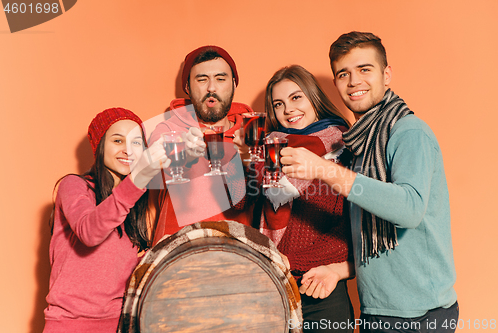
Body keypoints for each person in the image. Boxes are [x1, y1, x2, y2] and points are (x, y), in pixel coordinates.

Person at [281, 32, 458, 332]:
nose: (354, 82)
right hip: (377, 310)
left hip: (421, 314)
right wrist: (337, 270)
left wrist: (324, 170)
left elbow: (409, 209)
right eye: (343, 74)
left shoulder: (409, 132)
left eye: (365, 70)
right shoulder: (360, 145)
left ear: (386, 74)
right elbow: (367, 239)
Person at [43, 108, 170, 333]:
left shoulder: (133, 205)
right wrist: (138, 179)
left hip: (119, 326)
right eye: (117, 140)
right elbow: (89, 231)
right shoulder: (74, 186)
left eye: (136, 143)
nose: (128, 150)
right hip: (69, 325)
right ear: (99, 146)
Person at [257, 65, 354, 332]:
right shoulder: (268, 152)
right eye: (279, 104)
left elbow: (350, 229)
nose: (288, 109)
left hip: (320, 288)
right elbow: (245, 211)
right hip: (271, 289)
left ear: (314, 97)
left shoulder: (344, 148)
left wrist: (287, 261)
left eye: (296, 97)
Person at [149, 45, 256, 244]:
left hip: (240, 257)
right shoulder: (168, 130)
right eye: (202, 79)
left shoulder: (252, 135)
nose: (211, 88)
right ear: (188, 87)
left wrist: (247, 160)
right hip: (176, 254)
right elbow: (156, 158)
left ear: (233, 84)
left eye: (220, 78)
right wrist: (183, 152)